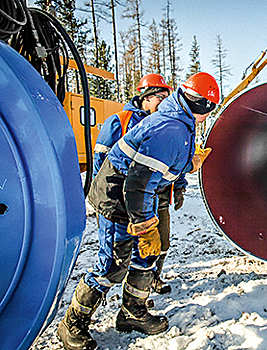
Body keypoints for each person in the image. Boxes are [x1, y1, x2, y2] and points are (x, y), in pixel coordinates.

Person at [57, 72, 219, 350]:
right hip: (117, 195)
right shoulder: (170, 128)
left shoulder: (183, 122)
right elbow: (137, 184)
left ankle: (133, 313)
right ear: (204, 106)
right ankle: (72, 323)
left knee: (146, 254)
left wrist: (187, 168)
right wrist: (144, 227)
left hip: (138, 192)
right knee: (113, 264)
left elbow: (164, 166)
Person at [92, 73, 183, 295]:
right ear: (146, 96)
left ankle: (148, 284)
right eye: (160, 96)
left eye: (167, 96)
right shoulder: (119, 121)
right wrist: (107, 198)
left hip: (156, 196)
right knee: (117, 256)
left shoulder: (165, 124)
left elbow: (174, 160)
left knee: (157, 244)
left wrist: (179, 186)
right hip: (122, 199)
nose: (164, 101)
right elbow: (101, 163)